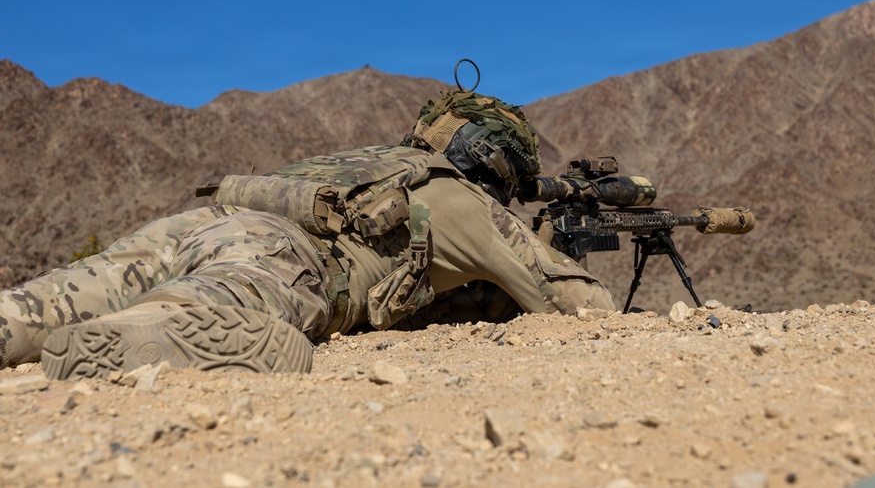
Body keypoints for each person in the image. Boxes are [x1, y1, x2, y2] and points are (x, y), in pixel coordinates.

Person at [0, 90, 617, 379]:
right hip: (275, 253)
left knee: (45, 303)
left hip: (192, 227)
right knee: (220, 297)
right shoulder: (462, 199)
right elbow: (581, 306)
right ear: (497, 165)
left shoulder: (367, 162)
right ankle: (138, 337)